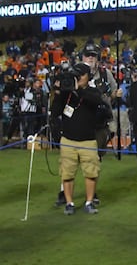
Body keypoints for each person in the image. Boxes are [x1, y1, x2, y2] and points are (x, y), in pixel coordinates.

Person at [50, 63, 105, 215]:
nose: (78, 78)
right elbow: (54, 112)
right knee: (67, 173)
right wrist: (58, 92)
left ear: (88, 76)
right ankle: (69, 203)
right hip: (68, 139)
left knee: (91, 172)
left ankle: (89, 201)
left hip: (88, 140)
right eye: (76, 75)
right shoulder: (66, 93)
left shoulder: (92, 92)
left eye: (81, 75)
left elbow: (95, 101)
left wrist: (77, 90)